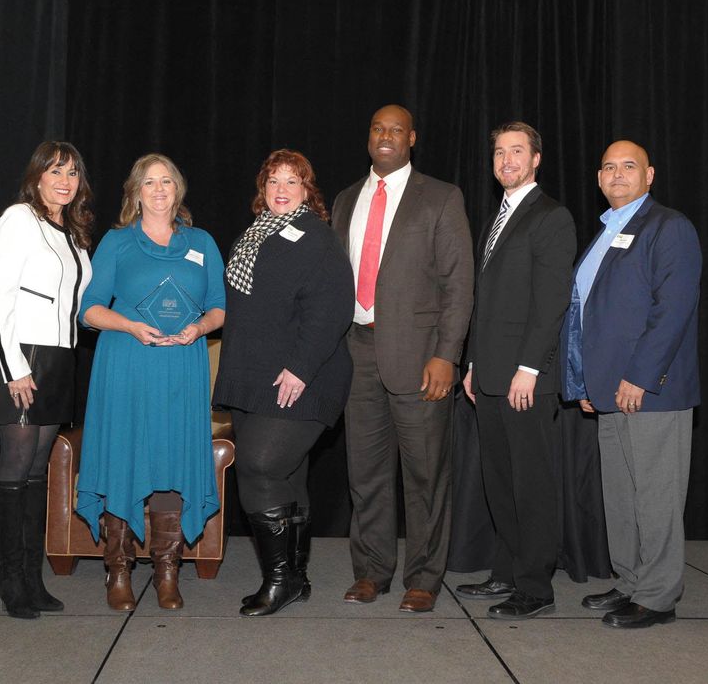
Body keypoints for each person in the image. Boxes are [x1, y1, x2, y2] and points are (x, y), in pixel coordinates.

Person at [331, 104, 474, 613]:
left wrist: (446, 355)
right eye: (377, 128)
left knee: (426, 474)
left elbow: (458, 284)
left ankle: (423, 578)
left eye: (395, 129)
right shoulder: (347, 200)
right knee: (365, 474)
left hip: (420, 360)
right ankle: (370, 572)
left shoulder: (440, 197)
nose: (385, 136)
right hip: (357, 352)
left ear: (412, 138)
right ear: (368, 137)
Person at [75, 153, 226, 612]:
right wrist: (132, 326)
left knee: (171, 461)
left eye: (166, 181)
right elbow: (90, 309)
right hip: (126, 367)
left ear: (177, 190)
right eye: (149, 182)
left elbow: (218, 307)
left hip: (182, 368)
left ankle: (166, 571)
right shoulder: (117, 243)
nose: (159, 189)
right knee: (125, 456)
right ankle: (117, 569)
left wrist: (198, 329)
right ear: (135, 192)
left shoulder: (202, 242)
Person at [561, 140, 701, 629]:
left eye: (629, 166)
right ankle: (631, 581)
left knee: (655, 495)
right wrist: (582, 379)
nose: (617, 175)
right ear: (598, 178)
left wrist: (639, 377)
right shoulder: (604, 234)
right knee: (621, 495)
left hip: (651, 392)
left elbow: (673, 311)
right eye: (608, 167)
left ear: (650, 175)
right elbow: (586, 317)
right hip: (608, 391)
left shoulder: (669, 227)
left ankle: (659, 596)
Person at [213, 149, 354, 616]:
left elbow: (332, 308)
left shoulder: (317, 237)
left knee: (261, 466)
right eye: (273, 180)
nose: (280, 189)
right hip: (253, 376)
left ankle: (277, 581)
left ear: (307, 191)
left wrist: (300, 367)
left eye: (292, 181)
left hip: (302, 375)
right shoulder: (254, 236)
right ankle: (295, 576)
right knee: (287, 474)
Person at [456, 122, 577, 619]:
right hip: (487, 375)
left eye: (517, 151)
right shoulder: (496, 218)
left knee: (531, 484)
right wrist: (471, 363)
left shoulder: (552, 217)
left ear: (536, 159)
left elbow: (551, 305)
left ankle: (536, 587)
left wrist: (529, 368)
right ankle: (508, 570)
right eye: (499, 152)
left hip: (525, 380)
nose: (506, 160)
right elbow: (485, 302)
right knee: (499, 479)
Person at [0, 141, 94, 619]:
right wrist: (14, 368)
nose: (64, 180)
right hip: (21, 355)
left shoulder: (71, 232)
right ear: (37, 176)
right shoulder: (18, 218)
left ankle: (32, 576)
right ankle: (10, 578)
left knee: (37, 474)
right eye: (55, 171)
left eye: (72, 172)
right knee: (16, 467)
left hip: (60, 358)